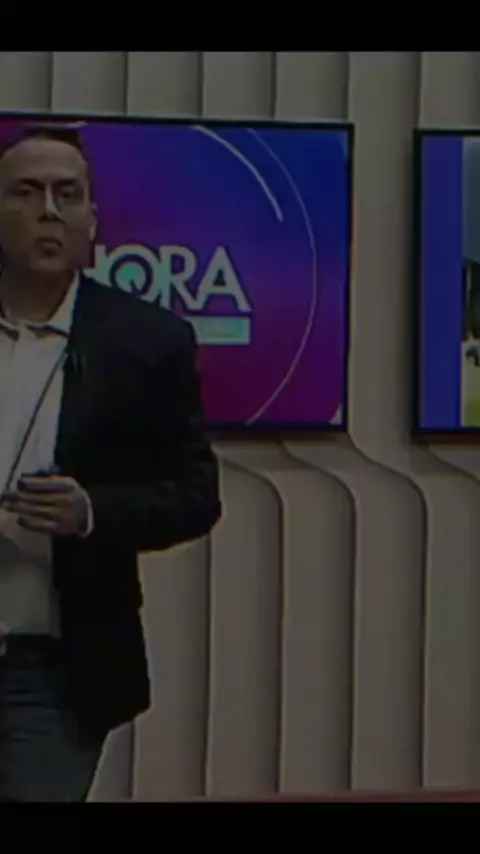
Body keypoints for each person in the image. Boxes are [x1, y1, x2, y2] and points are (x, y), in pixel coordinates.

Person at [0, 123, 221, 801]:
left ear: (91, 220)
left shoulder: (147, 342)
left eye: (67, 194)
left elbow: (194, 494)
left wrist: (92, 511)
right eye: (25, 192)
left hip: (55, 669)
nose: (48, 210)